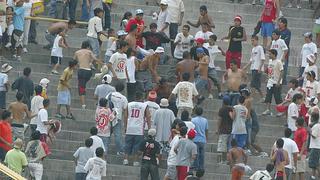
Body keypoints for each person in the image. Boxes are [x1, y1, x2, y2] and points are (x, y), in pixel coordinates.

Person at [123, 92, 151, 166]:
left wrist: (125, 126)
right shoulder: (145, 106)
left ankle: (126, 159)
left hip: (130, 127)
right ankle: (135, 161)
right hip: (139, 129)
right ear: (142, 97)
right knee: (137, 145)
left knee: (128, 144)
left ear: (135, 97)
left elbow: (125, 116)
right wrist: (149, 127)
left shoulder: (129, 104)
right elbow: (148, 117)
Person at [74, 40, 103, 109]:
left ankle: (83, 104)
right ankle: (84, 90)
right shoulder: (89, 52)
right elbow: (95, 59)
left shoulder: (77, 52)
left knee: (81, 87)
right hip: (88, 71)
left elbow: (74, 61)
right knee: (83, 84)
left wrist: (77, 65)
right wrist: (102, 64)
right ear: (88, 47)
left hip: (81, 70)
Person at [106, 82, 128, 155]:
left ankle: (105, 149)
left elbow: (105, 104)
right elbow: (125, 111)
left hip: (108, 116)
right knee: (117, 135)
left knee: (106, 134)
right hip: (117, 118)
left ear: (115, 87)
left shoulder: (110, 94)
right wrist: (125, 123)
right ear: (122, 89)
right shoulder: (124, 98)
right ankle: (120, 150)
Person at [262, 49, 283, 116]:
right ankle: (268, 109)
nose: (269, 55)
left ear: (274, 54)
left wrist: (279, 82)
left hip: (276, 82)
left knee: (277, 97)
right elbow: (269, 71)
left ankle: (280, 110)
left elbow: (282, 71)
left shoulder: (278, 62)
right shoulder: (270, 61)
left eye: (270, 54)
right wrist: (267, 78)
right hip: (270, 82)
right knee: (268, 96)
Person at [217, 96, 233, 163]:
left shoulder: (222, 109)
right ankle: (228, 160)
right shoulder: (231, 109)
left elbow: (219, 120)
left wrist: (217, 129)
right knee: (229, 146)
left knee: (222, 147)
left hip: (223, 130)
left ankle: (223, 160)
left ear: (223, 102)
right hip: (231, 130)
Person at [191, 107, 208, 171]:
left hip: (195, 139)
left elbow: (192, 129)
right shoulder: (205, 120)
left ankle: (196, 166)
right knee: (202, 154)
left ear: (195, 112)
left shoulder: (193, 120)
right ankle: (201, 167)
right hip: (202, 139)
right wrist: (206, 138)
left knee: (196, 153)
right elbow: (206, 130)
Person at [276, 17, 291, 85]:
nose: (279, 23)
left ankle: (283, 81)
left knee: (284, 66)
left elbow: (286, 41)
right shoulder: (276, 30)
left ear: (284, 24)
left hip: (284, 52)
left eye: (281, 22)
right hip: (277, 51)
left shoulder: (288, 32)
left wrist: (280, 42)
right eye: (279, 22)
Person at [309, 115, 320, 180]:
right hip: (316, 146)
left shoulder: (316, 126)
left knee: (315, 163)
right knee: (314, 163)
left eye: (311, 118)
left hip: (315, 146)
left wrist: (309, 131)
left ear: (313, 118)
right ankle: (313, 176)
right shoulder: (317, 125)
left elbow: (314, 136)